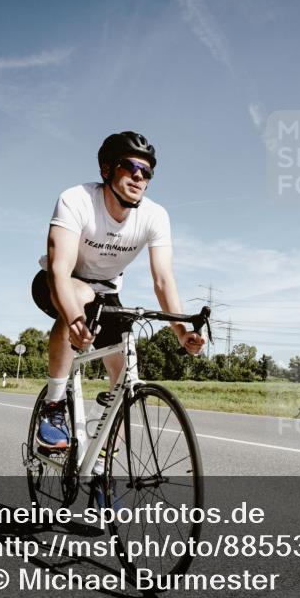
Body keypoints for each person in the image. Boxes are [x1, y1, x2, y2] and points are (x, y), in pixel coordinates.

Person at [31, 131, 205, 450]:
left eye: (147, 170)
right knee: (81, 298)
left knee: (125, 373)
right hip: (58, 282)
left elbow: (163, 279)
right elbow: (60, 268)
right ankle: (54, 406)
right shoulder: (77, 199)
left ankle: (100, 462)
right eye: (130, 166)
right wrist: (72, 319)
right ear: (107, 169)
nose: (139, 176)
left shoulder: (155, 216)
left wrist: (181, 333)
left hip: (106, 293)